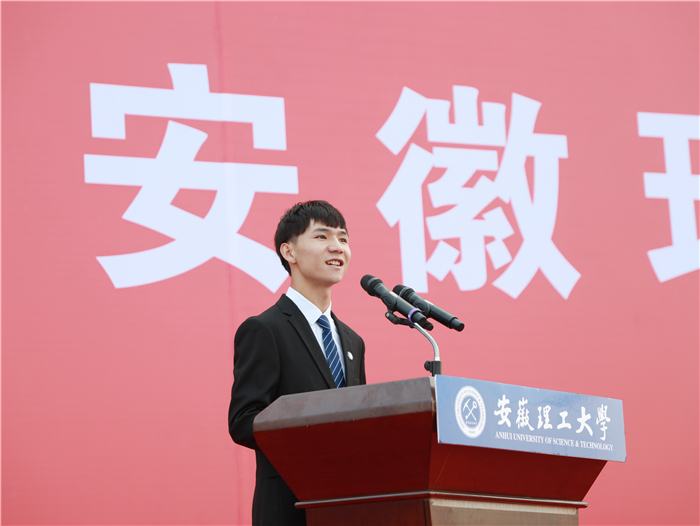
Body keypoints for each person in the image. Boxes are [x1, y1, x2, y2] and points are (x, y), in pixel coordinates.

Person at [228, 200, 366, 526]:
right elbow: (244, 421)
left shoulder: (353, 341)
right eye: (322, 237)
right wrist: (317, 437)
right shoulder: (265, 329)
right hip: (289, 506)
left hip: (348, 506)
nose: (337, 247)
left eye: (343, 239)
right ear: (288, 252)